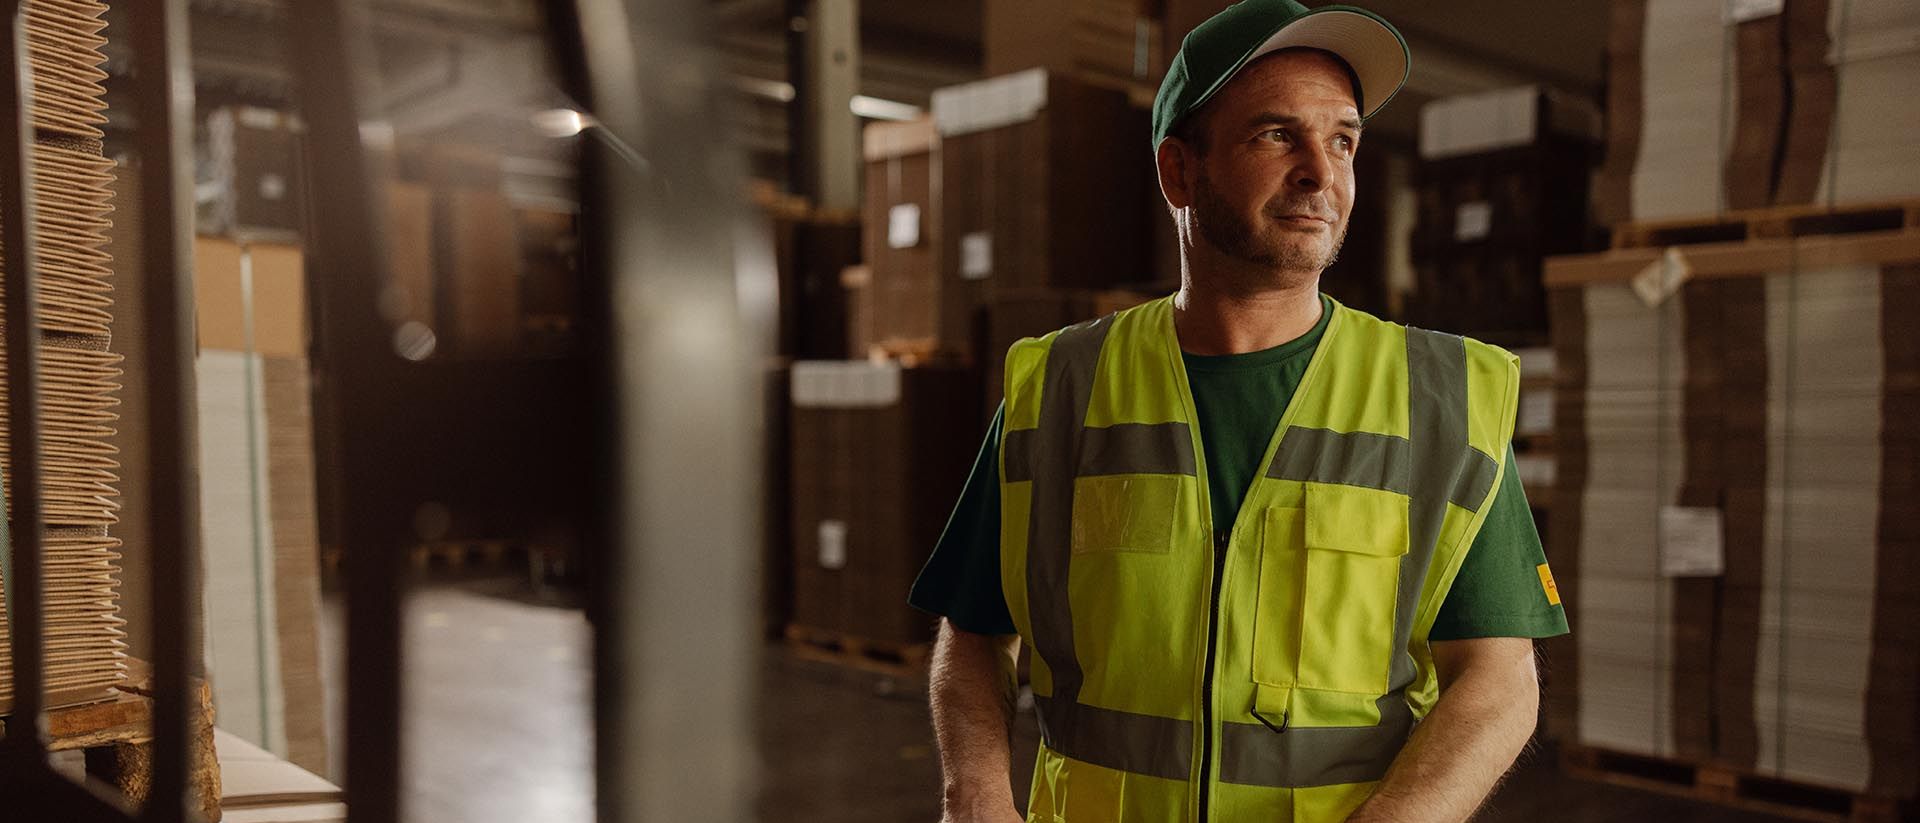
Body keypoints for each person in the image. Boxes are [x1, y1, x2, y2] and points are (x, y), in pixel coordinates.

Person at [908, 2, 1570, 821]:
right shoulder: (1057, 389)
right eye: (1276, 135)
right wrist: (974, 792)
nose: (1321, 172)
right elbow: (974, 634)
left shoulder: (1442, 397)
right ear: (1179, 172)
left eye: (1343, 140)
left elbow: (1499, 678)